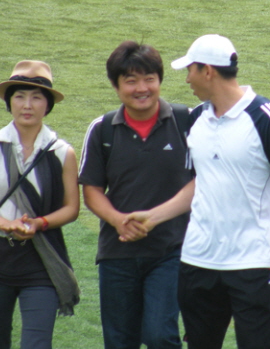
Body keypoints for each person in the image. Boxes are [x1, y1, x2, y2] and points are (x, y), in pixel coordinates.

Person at [122, 34, 270, 349]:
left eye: (190, 70)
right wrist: (153, 217)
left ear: (208, 71)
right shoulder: (197, 118)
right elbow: (201, 182)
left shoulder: (266, 116)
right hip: (198, 259)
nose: (187, 79)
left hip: (252, 262)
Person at [78, 41, 192, 349]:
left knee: (160, 336)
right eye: (130, 81)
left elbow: (203, 181)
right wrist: (118, 220)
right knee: (119, 341)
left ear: (160, 80)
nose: (141, 88)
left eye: (149, 79)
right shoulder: (102, 129)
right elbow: (92, 190)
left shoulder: (187, 121)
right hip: (117, 253)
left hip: (172, 250)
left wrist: (154, 218)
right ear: (116, 86)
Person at [0, 60, 80, 349]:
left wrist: (39, 223)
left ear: (48, 105)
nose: (27, 105)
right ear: (9, 102)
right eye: (19, 96)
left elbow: (71, 208)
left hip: (41, 260)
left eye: (37, 97)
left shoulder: (62, 152)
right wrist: (6, 225)